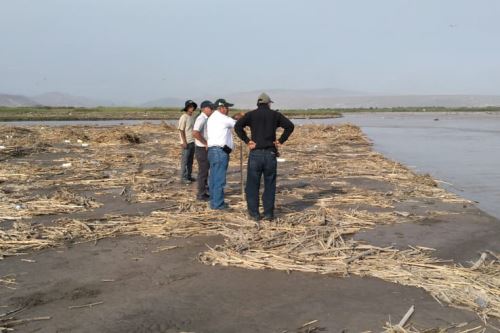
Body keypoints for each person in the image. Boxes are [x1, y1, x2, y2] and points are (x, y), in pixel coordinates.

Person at [234, 93, 294, 221]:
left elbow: (237, 126)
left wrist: (247, 141)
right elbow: (290, 126)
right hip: (270, 154)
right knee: (269, 184)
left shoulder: (251, 114)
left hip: (255, 154)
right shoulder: (275, 115)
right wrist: (280, 140)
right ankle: (268, 214)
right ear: (268, 103)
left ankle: (254, 214)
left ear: (258, 103)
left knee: (252, 185)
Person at [206, 98, 243, 210]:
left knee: (213, 178)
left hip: (213, 151)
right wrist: (244, 117)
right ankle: (218, 204)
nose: (228, 110)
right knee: (219, 179)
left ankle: (214, 202)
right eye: (226, 108)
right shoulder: (222, 118)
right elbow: (236, 124)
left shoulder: (213, 117)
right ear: (221, 108)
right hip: (219, 152)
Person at [192, 100, 215, 201]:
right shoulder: (201, 118)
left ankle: (205, 190)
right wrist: (205, 143)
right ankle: (201, 194)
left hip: (204, 148)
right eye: (210, 108)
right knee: (203, 172)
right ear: (204, 109)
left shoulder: (206, 118)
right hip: (201, 149)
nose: (212, 110)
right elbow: (195, 133)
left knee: (205, 171)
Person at [178, 99, 197, 184]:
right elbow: (181, 130)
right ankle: (183, 177)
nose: (192, 108)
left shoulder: (192, 117)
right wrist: (183, 141)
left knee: (190, 161)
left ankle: (189, 176)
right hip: (187, 142)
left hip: (192, 141)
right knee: (185, 161)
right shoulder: (184, 117)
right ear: (187, 108)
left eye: (192, 106)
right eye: (190, 106)